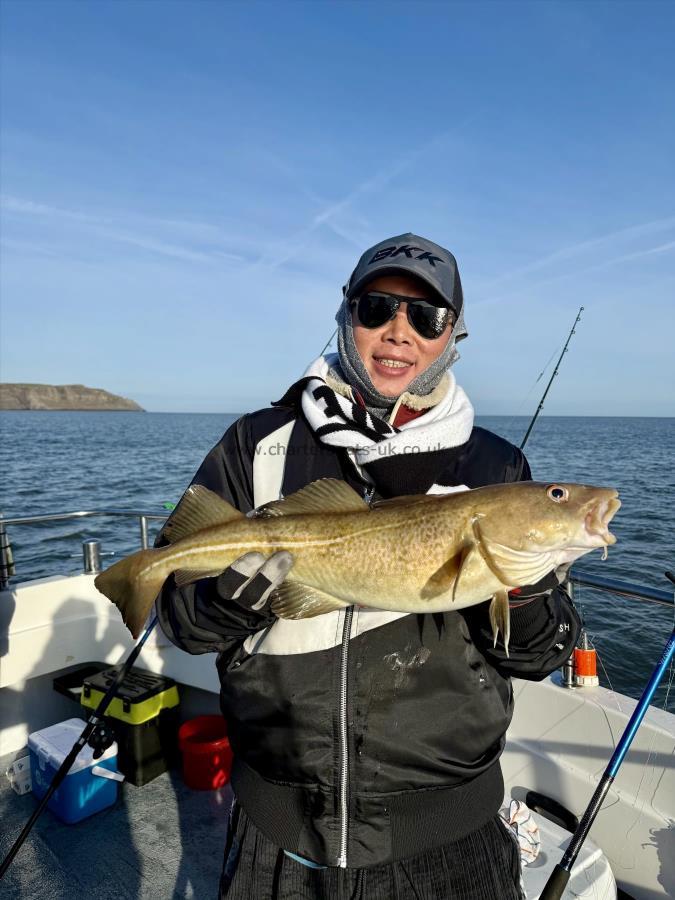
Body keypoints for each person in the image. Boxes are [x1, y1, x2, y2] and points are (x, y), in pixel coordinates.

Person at [157, 233, 580, 900]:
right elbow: (182, 627)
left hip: (450, 834)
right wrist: (223, 604)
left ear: (452, 335)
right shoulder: (254, 443)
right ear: (345, 315)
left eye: (426, 316)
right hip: (276, 832)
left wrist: (521, 589)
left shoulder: (494, 471)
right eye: (376, 307)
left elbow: (535, 655)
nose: (397, 333)